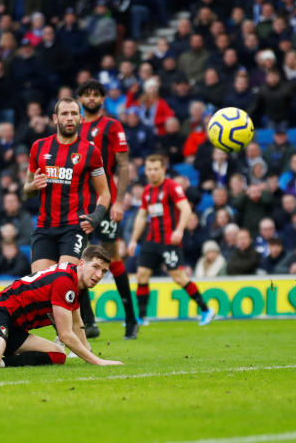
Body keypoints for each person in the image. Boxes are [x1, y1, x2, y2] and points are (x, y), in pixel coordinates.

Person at [76, 80, 138, 339]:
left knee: (112, 258)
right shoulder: (74, 126)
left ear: (102, 99)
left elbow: (123, 165)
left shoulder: (112, 126)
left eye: (96, 95)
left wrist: (120, 200)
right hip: (79, 203)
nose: (91, 98)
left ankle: (131, 319)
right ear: (80, 98)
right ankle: (89, 323)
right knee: (76, 260)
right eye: (87, 95)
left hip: (105, 199)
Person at [24, 97, 111, 280]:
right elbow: (27, 189)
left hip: (74, 228)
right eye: (64, 114)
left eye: (73, 114)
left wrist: (96, 217)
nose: (69, 118)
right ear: (55, 119)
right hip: (44, 227)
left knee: (65, 282)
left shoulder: (90, 151)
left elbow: (104, 193)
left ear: (81, 118)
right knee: (40, 286)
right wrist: (33, 186)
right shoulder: (39, 147)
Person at [127, 154, 216, 326]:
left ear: (163, 170)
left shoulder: (172, 187)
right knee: (142, 275)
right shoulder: (147, 191)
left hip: (169, 241)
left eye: (155, 169)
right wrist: (133, 240)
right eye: (149, 169)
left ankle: (206, 310)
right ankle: (142, 317)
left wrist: (180, 230)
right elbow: (141, 216)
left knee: (179, 277)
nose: (152, 173)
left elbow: (186, 209)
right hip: (151, 241)